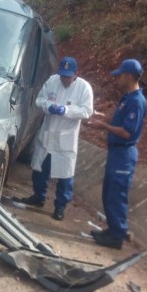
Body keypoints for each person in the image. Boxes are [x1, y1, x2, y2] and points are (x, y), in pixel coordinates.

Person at [13, 57, 93, 221]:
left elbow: (86, 111)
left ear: (76, 74)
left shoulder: (84, 88)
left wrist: (66, 110)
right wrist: (49, 106)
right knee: (40, 169)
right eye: (62, 76)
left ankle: (60, 207)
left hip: (66, 139)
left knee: (64, 175)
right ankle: (38, 196)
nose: (64, 79)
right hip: (48, 134)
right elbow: (39, 100)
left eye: (68, 76)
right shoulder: (52, 81)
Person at [88, 59, 147, 249]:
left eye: (120, 76)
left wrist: (103, 126)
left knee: (117, 196)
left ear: (129, 77)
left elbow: (128, 132)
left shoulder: (136, 102)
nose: (118, 79)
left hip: (123, 155)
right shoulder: (127, 99)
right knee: (109, 193)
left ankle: (117, 237)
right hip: (116, 153)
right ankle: (113, 230)